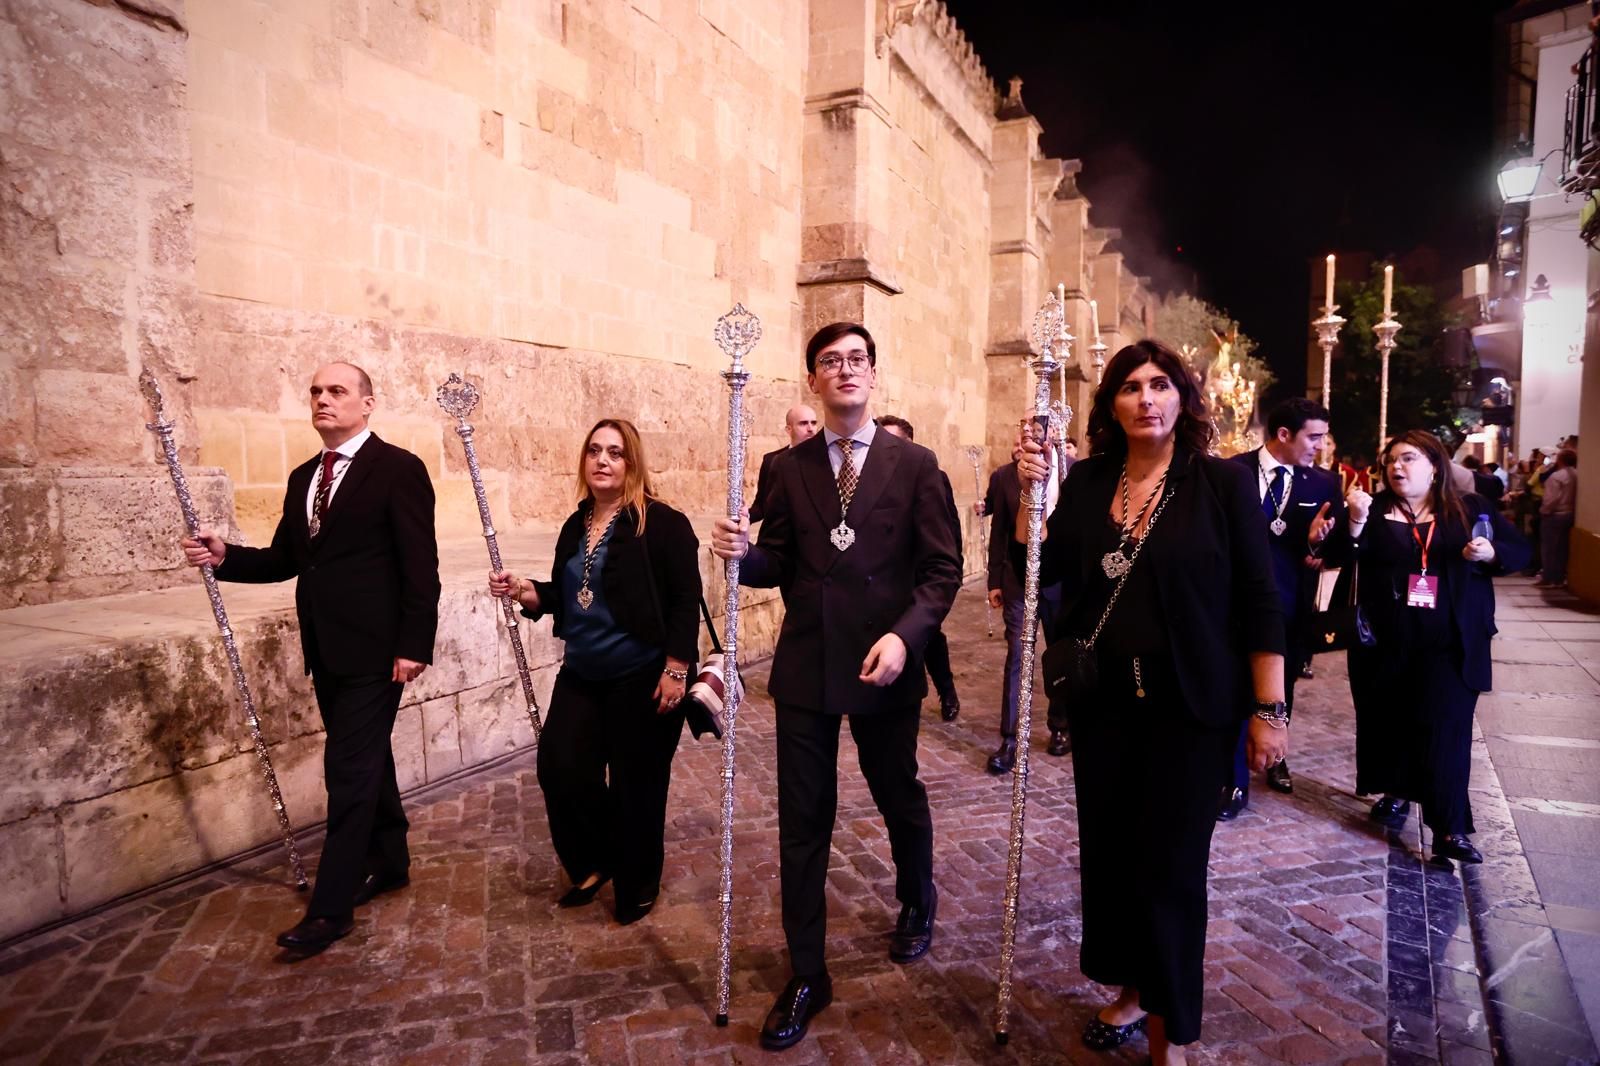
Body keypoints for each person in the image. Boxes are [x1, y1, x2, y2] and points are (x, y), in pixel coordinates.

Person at [1015, 339, 1285, 1066]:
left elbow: (1261, 597)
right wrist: (1027, 500)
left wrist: (1269, 709)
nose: (1145, 398)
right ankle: (1136, 991)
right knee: (1113, 860)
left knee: (1169, 870)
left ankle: (1174, 1034)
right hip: (1105, 709)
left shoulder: (1220, 484)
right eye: (1130, 387)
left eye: (1160, 384)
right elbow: (1041, 570)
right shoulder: (1090, 481)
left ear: (1183, 398)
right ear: (1112, 404)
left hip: (1189, 713)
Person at [710, 322, 961, 1052]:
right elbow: (779, 561)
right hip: (809, 666)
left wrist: (905, 636)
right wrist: (741, 553)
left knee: (897, 794)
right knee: (803, 823)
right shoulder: (788, 469)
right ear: (813, 380)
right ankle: (808, 972)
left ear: (873, 374)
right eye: (830, 361)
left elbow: (941, 570)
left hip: (884, 662)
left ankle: (917, 900)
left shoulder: (914, 464)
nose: (845, 370)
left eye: (857, 359)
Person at [182, 362, 440, 954]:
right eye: (316, 392)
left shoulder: (399, 469)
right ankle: (391, 856)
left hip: (379, 654)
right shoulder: (304, 476)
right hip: (325, 649)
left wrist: (413, 645)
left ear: (367, 403)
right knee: (367, 758)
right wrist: (225, 556)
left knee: (347, 773)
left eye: (337, 391)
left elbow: (419, 568)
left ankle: (331, 908)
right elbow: (286, 559)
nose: (323, 400)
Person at [488, 419, 701, 925]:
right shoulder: (576, 522)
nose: (603, 461)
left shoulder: (663, 523)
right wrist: (527, 591)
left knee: (636, 786)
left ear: (633, 462)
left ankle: (638, 879)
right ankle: (596, 858)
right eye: (594, 451)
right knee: (559, 769)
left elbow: (683, 600)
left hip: (642, 675)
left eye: (615, 452)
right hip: (582, 672)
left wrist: (676, 667)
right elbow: (568, 595)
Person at [1348, 431, 1528, 864]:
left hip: (1450, 645)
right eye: (1390, 460)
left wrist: (1489, 553)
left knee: (1444, 732)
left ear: (1434, 465)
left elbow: (1520, 550)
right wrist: (1352, 523)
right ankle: (1397, 791)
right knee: (1392, 723)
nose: (1397, 467)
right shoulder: (1371, 511)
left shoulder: (1468, 510)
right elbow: (1337, 555)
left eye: (1408, 458)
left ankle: (1449, 829)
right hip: (1386, 644)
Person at [1218, 397, 1343, 818]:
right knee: (1234, 684)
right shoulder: (1231, 471)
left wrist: (1315, 540)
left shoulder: (1323, 484)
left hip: (1288, 606)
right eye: (1314, 437)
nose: (1320, 447)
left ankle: (1275, 758)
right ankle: (1233, 778)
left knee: (1279, 686)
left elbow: (1334, 550)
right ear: (1285, 434)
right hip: (1232, 603)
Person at [981, 423, 1067, 772]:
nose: (1030, 435)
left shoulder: (1074, 471)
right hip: (1018, 583)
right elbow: (1000, 531)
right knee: (1017, 655)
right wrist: (994, 580)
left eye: (1038, 429)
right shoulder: (1004, 476)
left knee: (1060, 657)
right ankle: (1011, 738)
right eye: (1027, 429)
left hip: (1063, 586)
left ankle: (1061, 727)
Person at [876, 414, 963, 721]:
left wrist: (953, 567)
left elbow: (949, 527)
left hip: (922, 573)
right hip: (887, 577)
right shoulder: (868, 478)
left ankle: (946, 689)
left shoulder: (933, 476)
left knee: (928, 634)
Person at [750, 405, 820, 524]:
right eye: (803, 423)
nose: (810, 429)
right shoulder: (772, 460)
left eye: (813, 423)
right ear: (789, 429)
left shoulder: (825, 459)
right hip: (783, 537)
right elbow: (762, 507)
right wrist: (742, 517)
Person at [1537, 447, 1578, 587]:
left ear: (1560, 460)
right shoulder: (1578, 474)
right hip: (1571, 514)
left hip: (1555, 515)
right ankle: (1560, 577)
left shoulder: (1556, 477)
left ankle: (1549, 578)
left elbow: (1551, 499)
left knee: (1549, 548)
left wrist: (1544, 511)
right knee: (1563, 548)